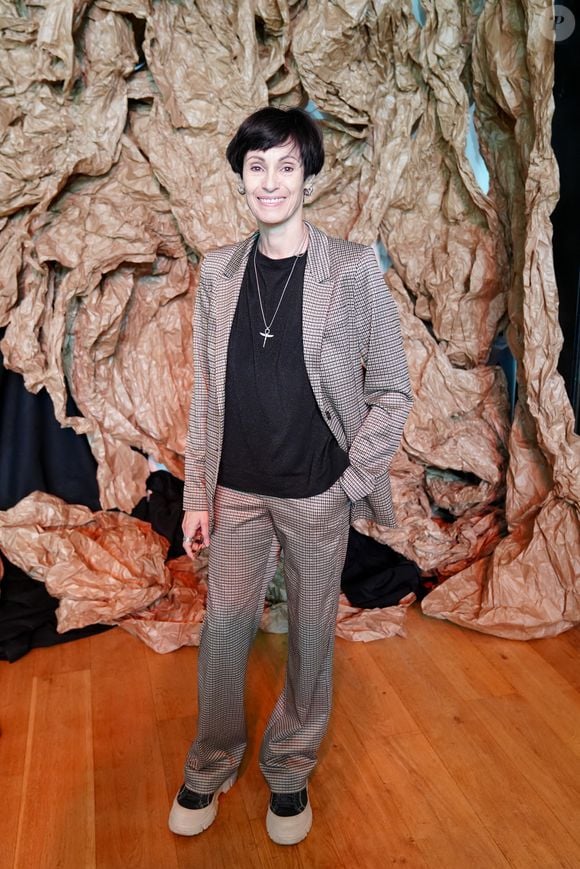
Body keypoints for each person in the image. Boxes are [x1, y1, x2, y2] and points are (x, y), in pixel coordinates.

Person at [169, 106, 413, 846]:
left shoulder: (351, 268)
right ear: (242, 177)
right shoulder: (217, 270)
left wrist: (347, 484)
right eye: (257, 167)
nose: (270, 181)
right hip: (236, 489)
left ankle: (289, 768)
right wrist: (195, 494)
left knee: (310, 634)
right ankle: (210, 764)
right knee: (223, 628)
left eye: (285, 166)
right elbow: (207, 391)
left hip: (317, 491)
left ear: (307, 176)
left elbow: (393, 389)